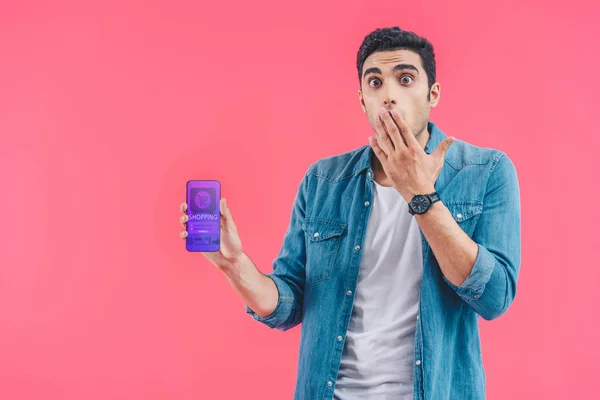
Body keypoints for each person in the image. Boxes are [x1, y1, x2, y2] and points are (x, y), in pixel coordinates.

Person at [179, 26, 521, 400]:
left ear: (432, 93)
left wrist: (420, 195)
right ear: (362, 100)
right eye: (375, 83)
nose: (389, 95)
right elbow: (288, 303)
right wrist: (234, 265)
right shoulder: (323, 181)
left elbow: (494, 297)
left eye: (405, 79)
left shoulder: (485, 170)